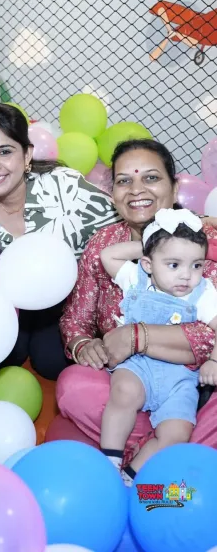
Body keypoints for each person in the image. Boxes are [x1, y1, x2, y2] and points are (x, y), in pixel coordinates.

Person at [57, 138, 217, 463]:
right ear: (113, 193)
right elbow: (75, 319)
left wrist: (138, 337)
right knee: (72, 386)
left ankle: (149, 450)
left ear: (174, 189)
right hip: (128, 382)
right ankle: (163, 453)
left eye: (151, 178)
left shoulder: (204, 243)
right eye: (124, 181)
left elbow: (209, 333)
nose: (136, 189)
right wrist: (84, 344)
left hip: (193, 386)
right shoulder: (104, 245)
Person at [0, 103, 119, 380]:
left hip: (67, 298)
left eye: (5, 151)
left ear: (27, 155)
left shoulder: (63, 187)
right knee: (2, 355)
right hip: (8, 302)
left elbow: (126, 215)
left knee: (51, 361)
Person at [99, 208, 217, 485]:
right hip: (138, 366)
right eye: (174, 264)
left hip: (181, 378)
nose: (186, 275)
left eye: (196, 265)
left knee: (177, 433)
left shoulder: (203, 293)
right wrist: (154, 245)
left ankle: (131, 477)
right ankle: (109, 462)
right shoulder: (136, 277)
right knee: (125, 391)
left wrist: (214, 360)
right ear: (148, 264)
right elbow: (108, 255)